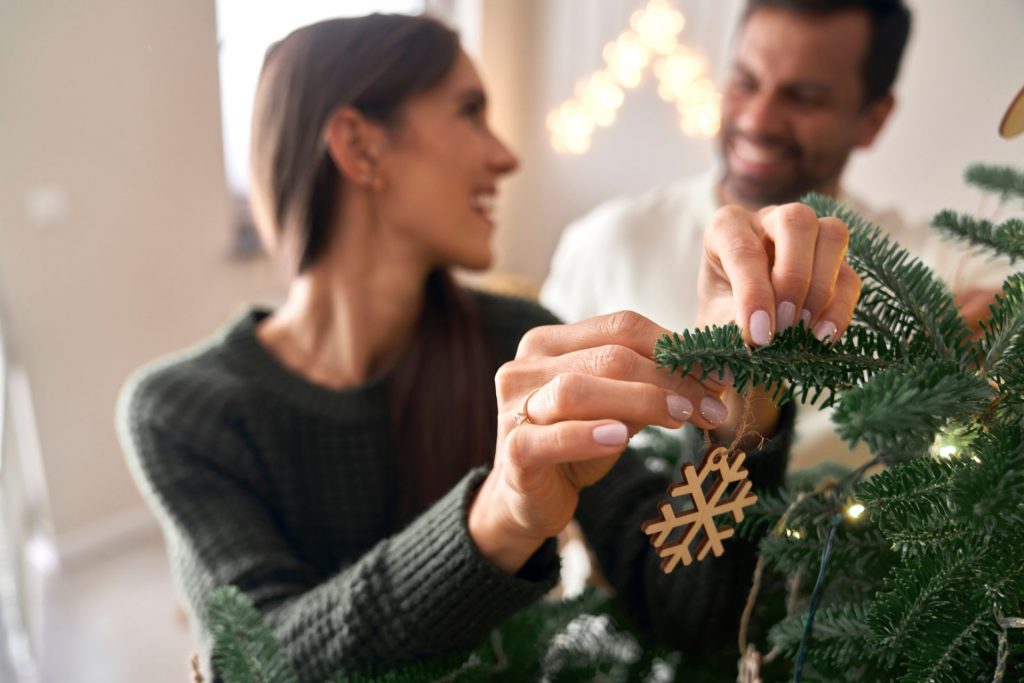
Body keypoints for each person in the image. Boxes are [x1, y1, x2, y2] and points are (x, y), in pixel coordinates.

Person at [116, 13, 859, 681]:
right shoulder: (183, 410)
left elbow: (689, 610)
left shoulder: (512, 341)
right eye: (470, 111)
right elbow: (258, 663)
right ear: (358, 143)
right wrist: (498, 519)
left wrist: (741, 420)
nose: (505, 157)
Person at [541, 0, 1004, 468]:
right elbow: (540, 437)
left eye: (803, 97)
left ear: (873, 120)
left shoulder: (936, 267)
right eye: (745, 82)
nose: (757, 121)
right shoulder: (603, 243)